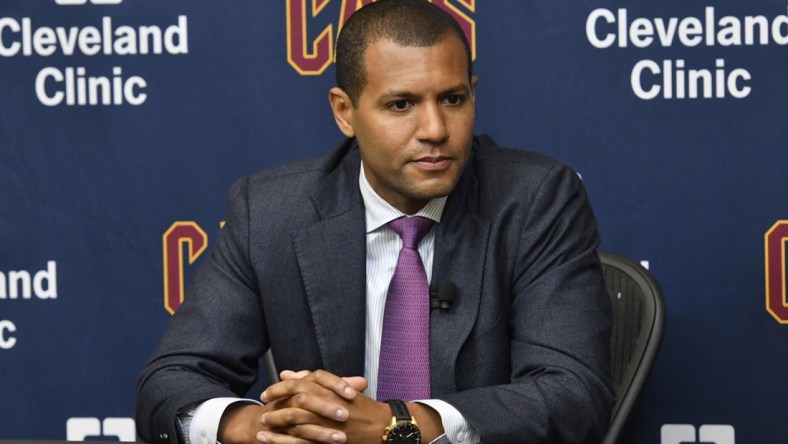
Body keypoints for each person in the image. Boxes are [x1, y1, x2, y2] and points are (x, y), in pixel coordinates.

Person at [135, 0, 613, 443]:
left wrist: (399, 425)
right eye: (401, 105)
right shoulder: (271, 211)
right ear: (345, 112)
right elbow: (170, 382)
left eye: (452, 99)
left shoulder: (536, 200)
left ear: (473, 93)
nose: (435, 130)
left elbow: (574, 393)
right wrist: (258, 426)